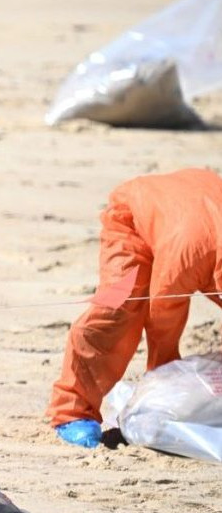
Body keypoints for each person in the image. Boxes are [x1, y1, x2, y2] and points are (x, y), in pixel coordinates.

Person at [47, 167, 222, 448]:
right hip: (133, 218)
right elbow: (163, 310)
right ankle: (71, 411)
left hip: (189, 207)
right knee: (116, 311)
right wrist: (166, 383)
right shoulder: (192, 253)